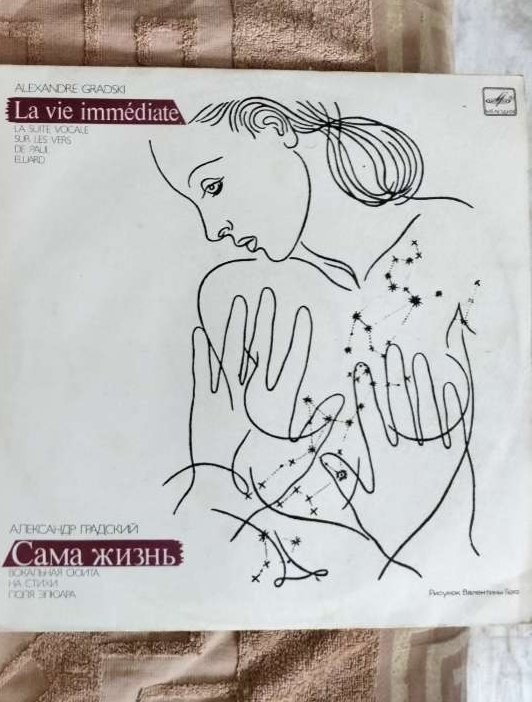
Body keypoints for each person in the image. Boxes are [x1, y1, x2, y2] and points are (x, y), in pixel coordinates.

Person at [150, 98, 479, 587]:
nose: (213, 228)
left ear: (271, 126)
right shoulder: (250, 297)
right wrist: (218, 475)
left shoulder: (454, 239)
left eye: (213, 187)